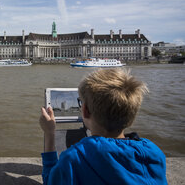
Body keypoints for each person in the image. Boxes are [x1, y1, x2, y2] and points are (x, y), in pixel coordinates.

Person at [39, 68, 167, 184]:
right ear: (132, 115)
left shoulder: (74, 158)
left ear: (85, 111)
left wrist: (49, 133)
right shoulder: (154, 152)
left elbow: (51, 181)